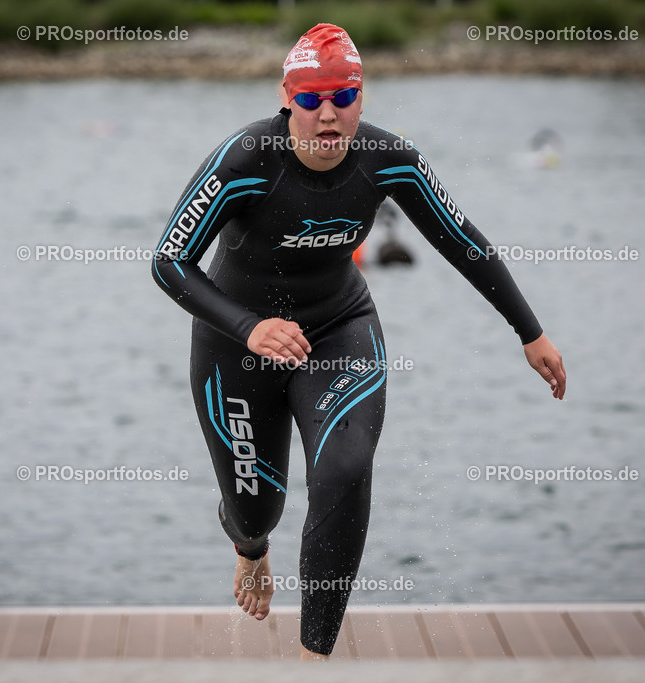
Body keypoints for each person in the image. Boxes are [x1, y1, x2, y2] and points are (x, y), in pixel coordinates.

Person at [151, 23, 566, 660]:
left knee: (344, 468)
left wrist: (530, 331)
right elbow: (169, 261)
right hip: (236, 343)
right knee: (256, 508)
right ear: (287, 98)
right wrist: (249, 327)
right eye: (311, 99)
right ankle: (249, 549)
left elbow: (463, 241)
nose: (327, 115)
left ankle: (314, 654)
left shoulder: (389, 158)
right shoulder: (245, 159)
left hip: (337, 327)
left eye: (341, 98)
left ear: (361, 99)